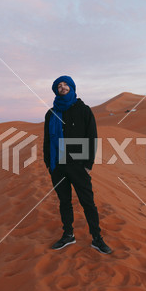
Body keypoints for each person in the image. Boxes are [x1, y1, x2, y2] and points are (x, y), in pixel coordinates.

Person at [43, 75, 112, 254]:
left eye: (66, 84)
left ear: (72, 88)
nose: (63, 87)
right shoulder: (51, 113)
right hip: (57, 165)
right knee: (64, 202)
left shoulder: (84, 110)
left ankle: (97, 238)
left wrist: (88, 163)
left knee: (87, 202)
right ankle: (68, 235)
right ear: (55, 90)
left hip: (78, 164)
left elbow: (92, 137)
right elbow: (46, 141)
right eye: (59, 85)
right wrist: (48, 164)